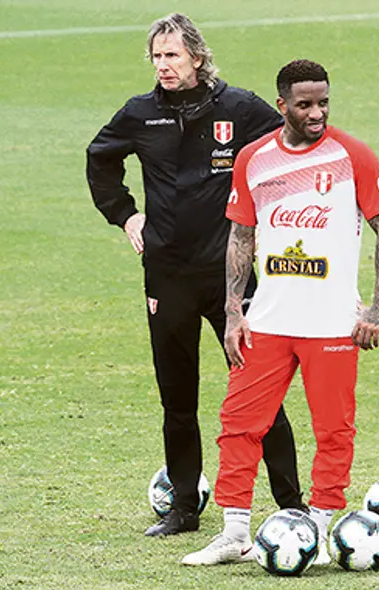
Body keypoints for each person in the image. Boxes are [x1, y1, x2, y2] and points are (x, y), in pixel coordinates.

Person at [85, 13, 304, 537]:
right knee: (176, 396)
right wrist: (126, 215)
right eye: (157, 57)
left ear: (197, 58)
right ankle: (184, 506)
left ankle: (291, 502)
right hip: (166, 275)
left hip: (232, 277)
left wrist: (272, 218)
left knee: (260, 392)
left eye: (172, 56)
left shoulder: (240, 108)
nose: (163, 65)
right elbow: (99, 160)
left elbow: (288, 150)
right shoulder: (140, 115)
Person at [182, 59, 379, 567]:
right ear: (281, 104)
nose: (317, 112)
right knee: (238, 423)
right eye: (305, 104)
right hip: (269, 322)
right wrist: (234, 311)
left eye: (323, 102)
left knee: (333, 429)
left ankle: (321, 529)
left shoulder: (354, 156)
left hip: (332, 324)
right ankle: (234, 532)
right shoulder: (254, 159)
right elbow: (241, 235)